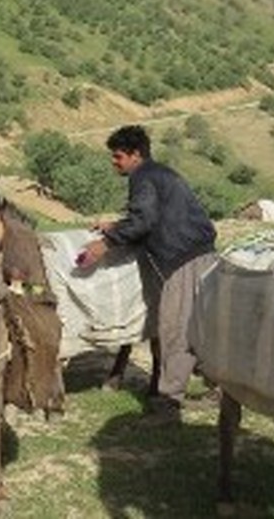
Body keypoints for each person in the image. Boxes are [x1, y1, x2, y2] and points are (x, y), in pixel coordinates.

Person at [77, 125, 216, 423]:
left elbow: (144, 221)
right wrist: (116, 226)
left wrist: (104, 244)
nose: (113, 162)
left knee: (173, 330)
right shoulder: (160, 173)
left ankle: (168, 406)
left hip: (181, 258)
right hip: (201, 253)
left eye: (117, 157)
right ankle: (219, 388)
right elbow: (157, 216)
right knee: (201, 325)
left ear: (135, 155)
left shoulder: (143, 178)